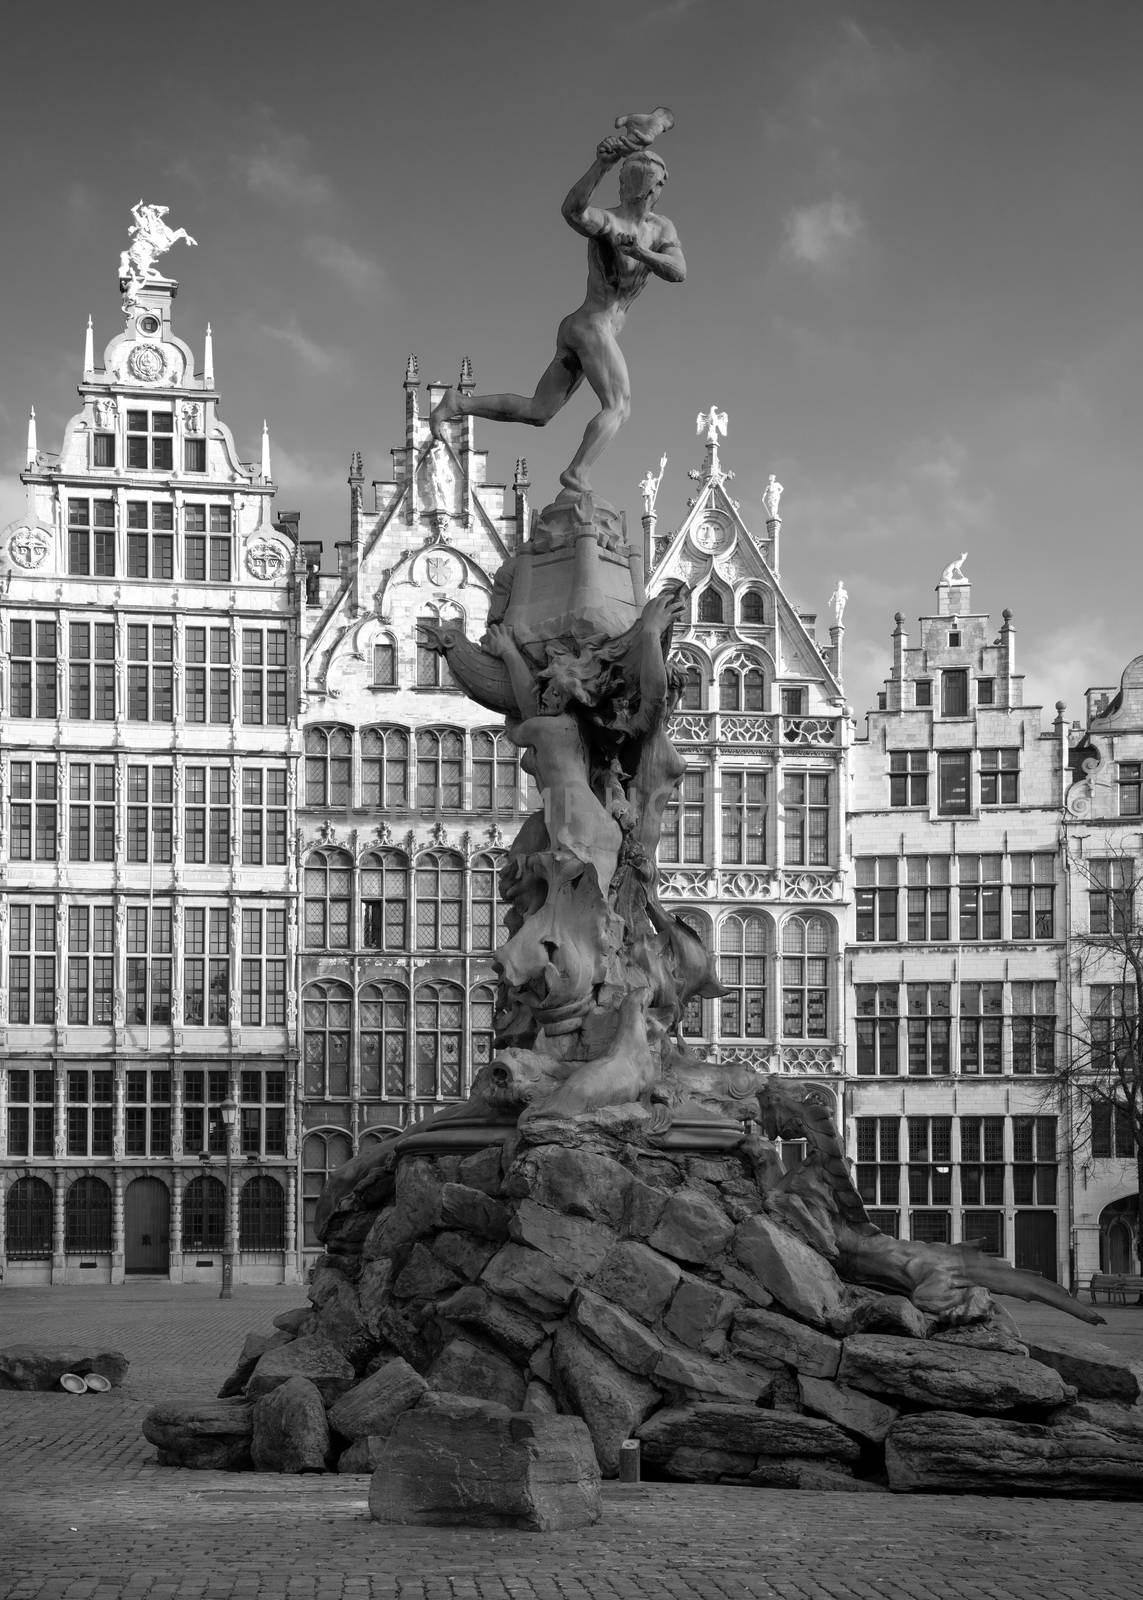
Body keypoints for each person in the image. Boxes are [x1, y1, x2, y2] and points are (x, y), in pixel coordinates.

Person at [430, 135, 685, 494]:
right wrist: (601, 165)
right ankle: (577, 472)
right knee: (619, 406)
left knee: (539, 412)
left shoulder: (660, 229)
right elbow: (572, 211)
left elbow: (678, 270)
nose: (655, 191)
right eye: (655, 184)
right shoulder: (608, 223)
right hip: (592, 326)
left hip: (584, 328)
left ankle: (458, 403)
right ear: (649, 187)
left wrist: (643, 254)